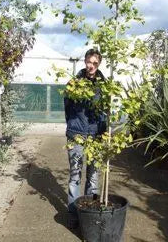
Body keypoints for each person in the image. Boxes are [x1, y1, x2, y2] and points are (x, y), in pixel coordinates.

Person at [64, 48, 106, 229]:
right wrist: (74, 126)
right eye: (89, 61)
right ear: (85, 61)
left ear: (99, 64)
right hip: (76, 135)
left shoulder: (104, 85)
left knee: (94, 178)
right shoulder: (74, 84)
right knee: (75, 176)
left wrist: (103, 133)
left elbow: (106, 112)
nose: (91, 66)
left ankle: (93, 210)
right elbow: (67, 108)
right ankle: (74, 215)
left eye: (95, 63)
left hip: (96, 136)